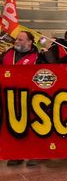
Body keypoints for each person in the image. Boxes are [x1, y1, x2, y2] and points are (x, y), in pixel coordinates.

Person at [2, 31, 42, 167]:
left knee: (34, 128)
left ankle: (35, 154)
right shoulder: (7, 54)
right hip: (10, 97)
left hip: (32, 98)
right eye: (17, 39)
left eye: (20, 39)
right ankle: (16, 154)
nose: (17, 41)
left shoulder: (38, 57)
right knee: (14, 128)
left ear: (30, 42)